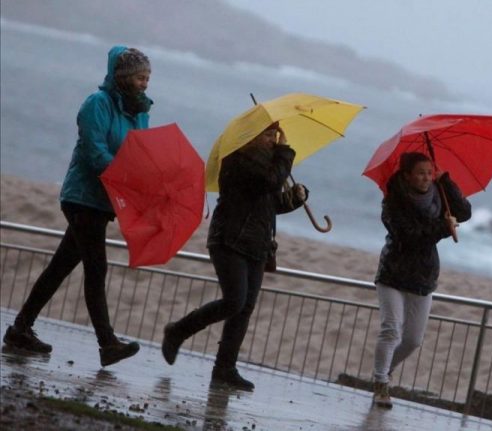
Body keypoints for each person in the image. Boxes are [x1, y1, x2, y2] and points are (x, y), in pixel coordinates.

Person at [2, 46, 153, 367]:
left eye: (148, 78)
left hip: (105, 201)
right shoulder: (96, 104)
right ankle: (107, 343)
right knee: (96, 268)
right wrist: (123, 175)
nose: (145, 84)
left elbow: (140, 154)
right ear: (124, 76)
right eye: (141, 77)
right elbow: (93, 151)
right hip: (82, 196)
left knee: (60, 267)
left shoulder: (140, 112)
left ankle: (20, 328)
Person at [161, 122, 307, 391]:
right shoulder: (238, 159)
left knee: (244, 308)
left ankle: (224, 368)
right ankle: (178, 330)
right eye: (266, 133)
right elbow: (267, 182)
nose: (272, 139)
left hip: (257, 243)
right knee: (234, 301)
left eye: (274, 134)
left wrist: (294, 199)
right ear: (250, 135)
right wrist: (285, 153)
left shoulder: (269, 163)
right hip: (230, 239)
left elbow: (268, 205)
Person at [371, 152, 471, 408]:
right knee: (391, 329)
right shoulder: (393, 201)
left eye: (430, 172)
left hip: (424, 275)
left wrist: (446, 181)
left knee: (413, 340)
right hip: (393, 273)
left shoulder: (440, 195)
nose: (426, 177)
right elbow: (410, 236)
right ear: (407, 175)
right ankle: (381, 382)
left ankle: (383, 372)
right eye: (420, 173)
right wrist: (443, 229)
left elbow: (465, 212)